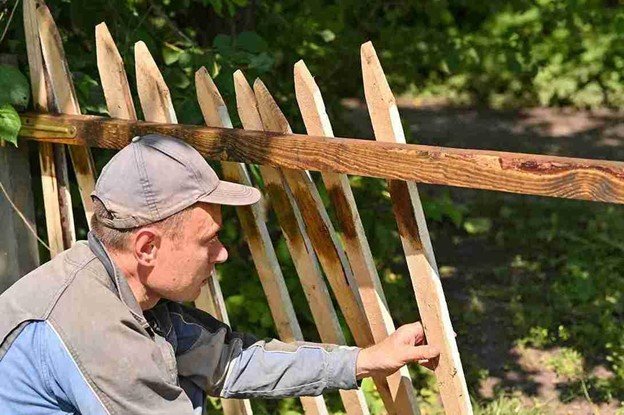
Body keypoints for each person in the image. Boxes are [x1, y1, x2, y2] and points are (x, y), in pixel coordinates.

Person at [0, 134, 440, 414]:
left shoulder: (127, 290)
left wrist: (366, 360)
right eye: (208, 239)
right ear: (147, 247)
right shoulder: (94, 330)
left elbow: (231, 362)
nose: (223, 254)